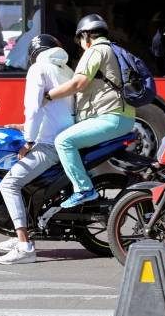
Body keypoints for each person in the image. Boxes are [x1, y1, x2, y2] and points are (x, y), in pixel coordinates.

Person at [0, 35, 75, 264]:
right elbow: (54, 110)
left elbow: (33, 108)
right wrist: (23, 127)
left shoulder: (38, 69)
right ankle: (21, 230)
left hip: (48, 144)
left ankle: (24, 246)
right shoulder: (65, 69)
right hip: (62, 137)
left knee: (9, 183)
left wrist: (28, 142)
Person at [43, 14, 136, 208]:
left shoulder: (95, 51)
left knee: (64, 142)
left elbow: (78, 83)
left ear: (86, 35)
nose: (80, 44)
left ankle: (84, 189)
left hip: (109, 117)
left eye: (80, 39)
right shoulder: (113, 49)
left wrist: (48, 95)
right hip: (121, 117)